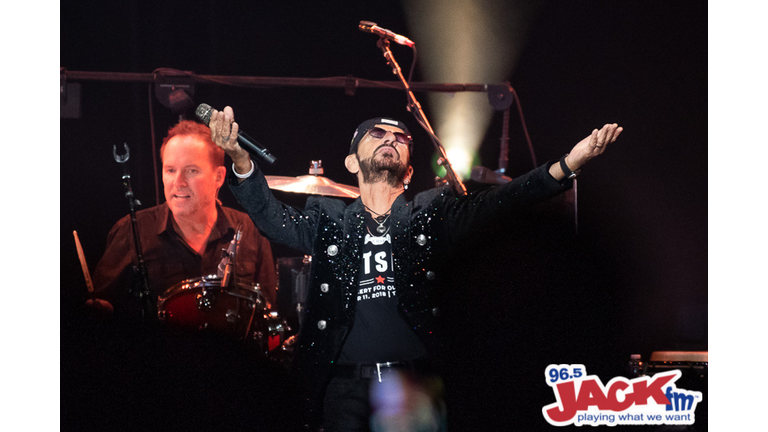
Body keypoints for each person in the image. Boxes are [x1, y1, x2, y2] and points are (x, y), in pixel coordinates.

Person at [208, 106, 622, 430]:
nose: (390, 139)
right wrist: (240, 158)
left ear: (408, 170)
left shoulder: (431, 212)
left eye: (400, 138)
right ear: (352, 162)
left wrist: (568, 163)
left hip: (414, 385)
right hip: (344, 387)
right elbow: (270, 217)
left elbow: (503, 201)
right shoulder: (328, 217)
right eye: (377, 134)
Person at [90, 119, 277, 321]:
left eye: (192, 171)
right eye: (170, 170)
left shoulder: (251, 229)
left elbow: (267, 313)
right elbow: (101, 311)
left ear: (219, 177)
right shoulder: (131, 229)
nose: (178, 182)